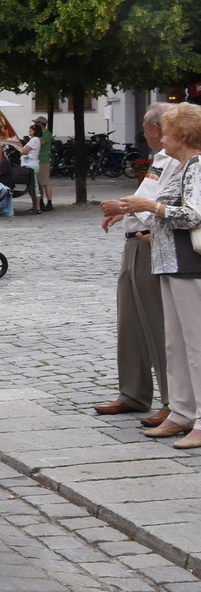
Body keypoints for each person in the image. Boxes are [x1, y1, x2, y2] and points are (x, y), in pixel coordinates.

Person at [110, 103, 201, 448]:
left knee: (195, 344)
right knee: (175, 343)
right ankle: (180, 411)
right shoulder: (179, 166)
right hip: (170, 262)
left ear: (183, 135)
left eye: (167, 130)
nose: (161, 136)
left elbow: (193, 215)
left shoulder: (197, 166)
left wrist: (151, 207)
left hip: (189, 264)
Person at [96, 105, 176, 423]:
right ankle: (133, 392)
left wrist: (128, 208)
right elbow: (148, 194)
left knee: (158, 324)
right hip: (135, 243)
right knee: (130, 322)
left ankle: (174, 400)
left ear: (154, 129)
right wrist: (125, 211)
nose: (145, 135)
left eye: (145, 129)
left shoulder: (180, 158)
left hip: (152, 243)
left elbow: (166, 204)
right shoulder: (161, 158)